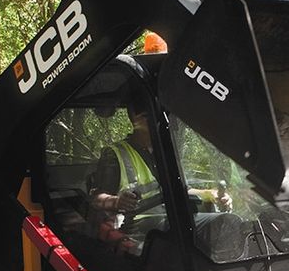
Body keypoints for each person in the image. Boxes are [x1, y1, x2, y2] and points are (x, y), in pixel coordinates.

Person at [89, 107, 231, 252]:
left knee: (225, 223)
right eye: (147, 116)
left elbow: (179, 190)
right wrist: (117, 201)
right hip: (138, 229)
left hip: (169, 220)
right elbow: (95, 199)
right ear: (133, 117)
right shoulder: (116, 154)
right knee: (214, 227)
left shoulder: (164, 153)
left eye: (158, 116)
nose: (155, 121)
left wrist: (209, 194)